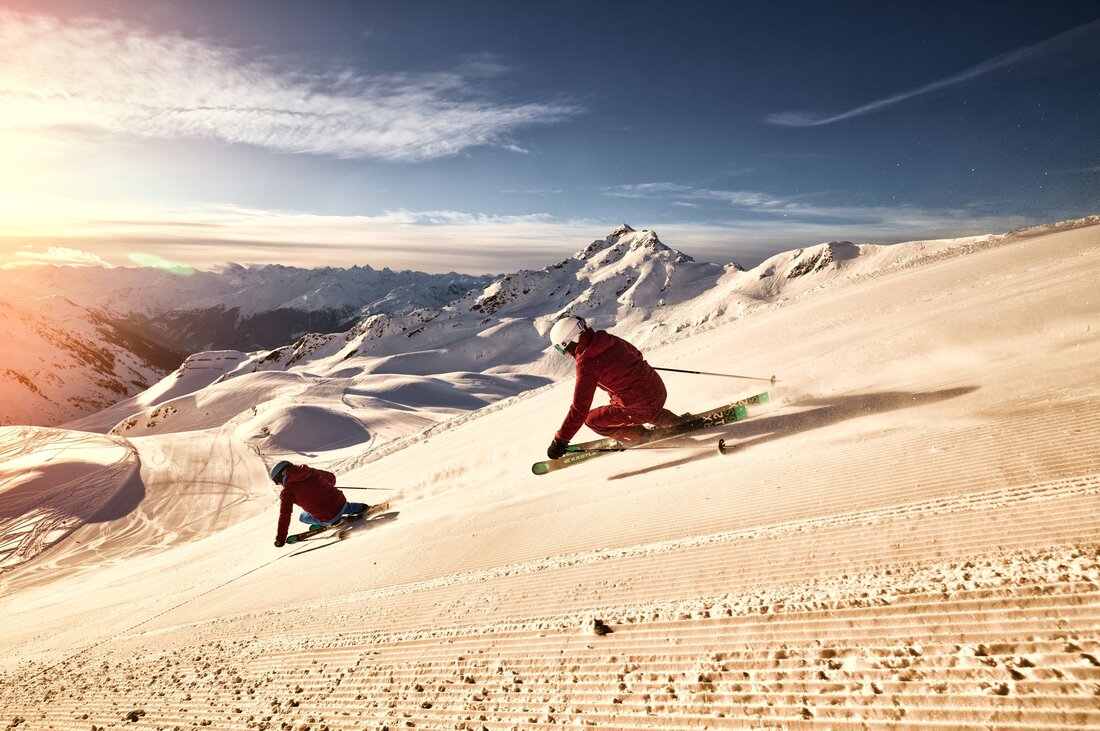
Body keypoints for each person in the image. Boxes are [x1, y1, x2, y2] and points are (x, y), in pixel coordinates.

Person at [546, 316, 680, 460]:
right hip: (657, 390)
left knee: (592, 420)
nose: (565, 353)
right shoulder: (609, 339)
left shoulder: (587, 364)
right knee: (639, 403)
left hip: (641, 406)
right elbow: (637, 355)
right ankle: (673, 422)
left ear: (569, 342)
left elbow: (580, 408)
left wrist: (560, 440)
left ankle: (642, 437)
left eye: (561, 349)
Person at [270, 460, 369, 547]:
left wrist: (281, 538)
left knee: (303, 517)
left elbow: (285, 515)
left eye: (278, 482)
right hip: (341, 501)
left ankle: (337, 521)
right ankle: (361, 507)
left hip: (328, 516)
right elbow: (331, 478)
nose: (280, 484)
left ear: (281, 476)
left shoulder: (287, 492)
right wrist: (320, 485)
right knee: (343, 505)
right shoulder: (309, 471)